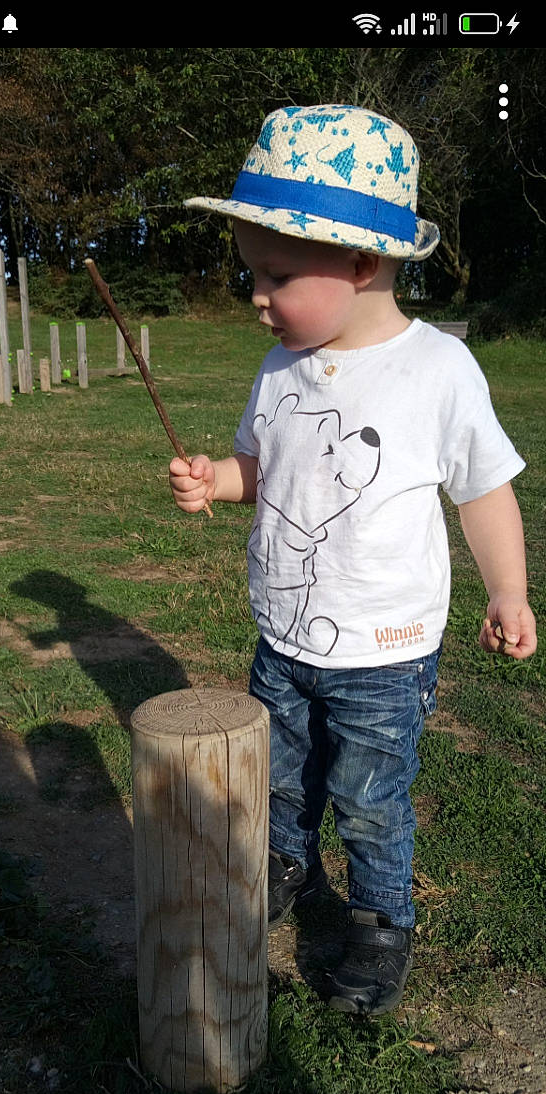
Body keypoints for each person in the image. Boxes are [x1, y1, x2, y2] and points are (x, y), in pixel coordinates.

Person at [169, 103, 537, 1016]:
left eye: (276, 275)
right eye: (252, 272)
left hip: (385, 648)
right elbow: (269, 468)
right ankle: (285, 865)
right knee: (282, 774)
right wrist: (221, 479)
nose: (256, 295)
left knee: (371, 797)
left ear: (364, 264)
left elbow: (482, 487)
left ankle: (379, 923)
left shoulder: (438, 370)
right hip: (284, 635)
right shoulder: (280, 367)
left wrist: (508, 590)